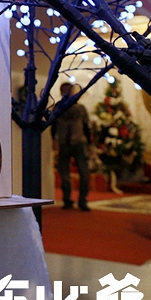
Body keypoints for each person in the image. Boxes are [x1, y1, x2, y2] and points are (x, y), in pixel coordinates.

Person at [52, 82, 92, 211]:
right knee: (78, 172)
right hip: (74, 142)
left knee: (69, 172)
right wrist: (90, 143)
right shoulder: (78, 108)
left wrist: (54, 140)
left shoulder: (59, 108)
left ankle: (72, 199)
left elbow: (53, 127)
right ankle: (78, 200)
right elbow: (86, 126)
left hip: (69, 142)